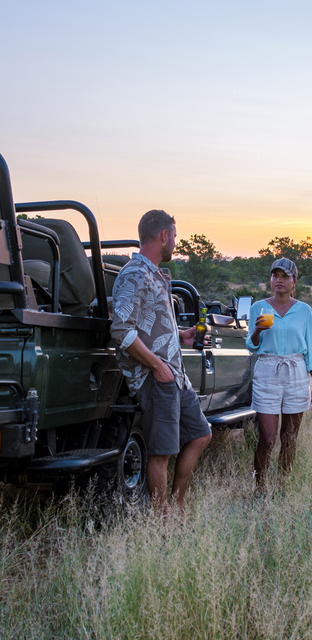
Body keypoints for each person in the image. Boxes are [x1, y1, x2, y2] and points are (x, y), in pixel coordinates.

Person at [110, 210, 212, 513]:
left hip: (175, 376)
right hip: (157, 378)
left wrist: (180, 335)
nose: (175, 243)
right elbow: (121, 331)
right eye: (175, 236)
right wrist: (157, 365)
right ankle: (162, 520)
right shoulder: (135, 273)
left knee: (201, 435)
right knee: (161, 452)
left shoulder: (154, 273)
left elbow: (147, 323)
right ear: (164, 235)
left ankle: (177, 505)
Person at [246, 257, 312, 490]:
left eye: (284, 277)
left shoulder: (303, 310)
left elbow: (311, 349)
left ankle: (283, 486)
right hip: (267, 371)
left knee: (289, 439)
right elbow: (251, 346)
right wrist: (258, 330)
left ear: (294, 281)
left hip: (296, 372)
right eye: (274, 276)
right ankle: (259, 487)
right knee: (267, 439)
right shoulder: (259, 307)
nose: (278, 281)